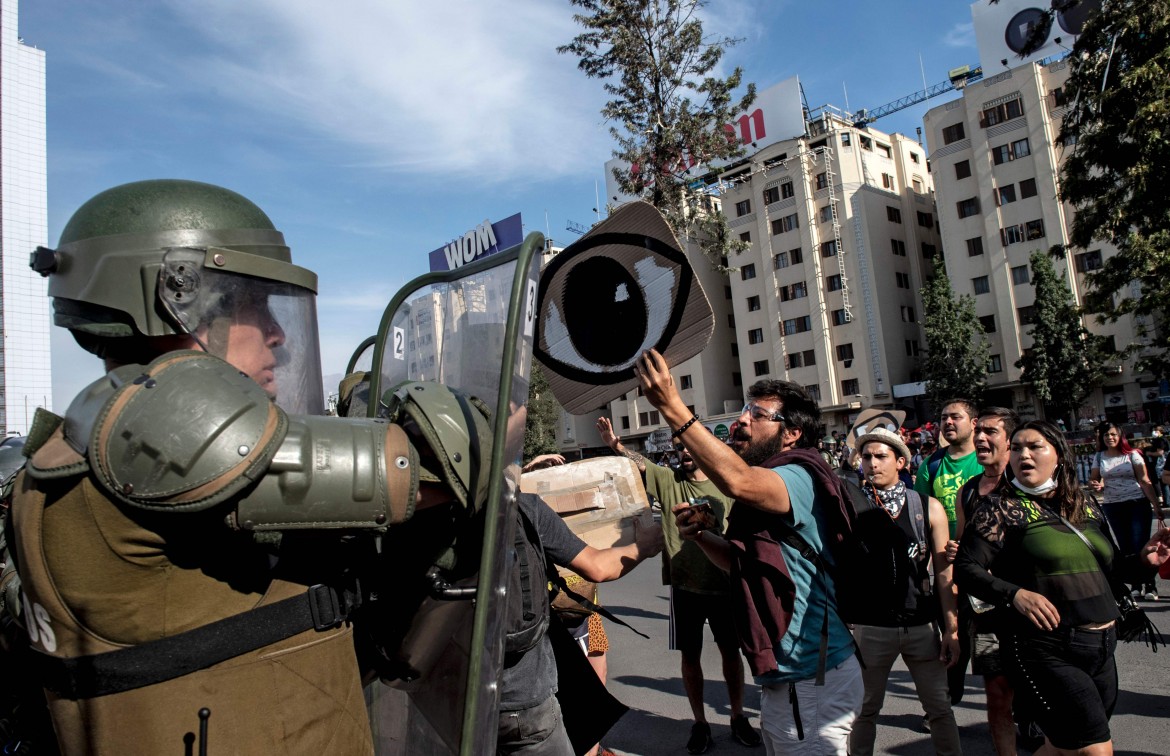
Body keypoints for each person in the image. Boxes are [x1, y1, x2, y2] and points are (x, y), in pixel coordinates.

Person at [8, 180, 498, 754]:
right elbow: (448, 466)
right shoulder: (172, 428)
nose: (279, 335)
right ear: (179, 296)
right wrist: (390, 402)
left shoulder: (71, 448)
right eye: (255, 304)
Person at [636, 349, 862, 755]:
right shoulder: (773, 480)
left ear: (791, 432)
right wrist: (702, 537)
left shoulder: (798, 473)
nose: (741, 420)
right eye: (744, 410)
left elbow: (737, 481)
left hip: (813, 678)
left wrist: (673, 406)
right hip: (786, 681)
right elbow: (743, 563)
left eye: (758, 414)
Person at [955, 420, 1170, 755]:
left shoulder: (1083, 503)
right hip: (1044, 647)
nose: (1023, 455)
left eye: (1034, 447)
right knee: (1095, 748)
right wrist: (1016, 595)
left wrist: (1144, 561)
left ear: (1058, 455)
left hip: (1101, 644)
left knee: (1062, 745)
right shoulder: (999, 508)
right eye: (1017, 448)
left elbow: (1110, 570)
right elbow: (965, 569)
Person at [595, 417, 759, 753]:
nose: (682, 449)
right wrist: (615, 444)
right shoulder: (670, 481)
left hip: (726, 587)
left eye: (688, 445)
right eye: (678, 445)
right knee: (690, 657)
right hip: (684, 588)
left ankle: (738, 716)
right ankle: (699, 723)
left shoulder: (724, 486)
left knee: (731, 653)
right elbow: (639, 464)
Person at [498, 493, 662, 755]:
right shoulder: (523, 507)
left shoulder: (412, 513)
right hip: (525, 695)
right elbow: (597, 566)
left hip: (443, 694)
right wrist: (644, 547)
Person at [847, 428, 961, 756]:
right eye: (866, 457)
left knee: (940, 709)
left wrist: (950, 629)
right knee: (865, 711)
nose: (872, 463)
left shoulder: (927, 507)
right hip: (871, 628)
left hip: (922, 625)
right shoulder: (850, 507)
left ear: (900, 462)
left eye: (880, 456)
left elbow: (943, 574)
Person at [952, 407, 1021, 756]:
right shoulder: (967, 492)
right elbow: (964, 545)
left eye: (990, 432)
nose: (980, 437)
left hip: (1030, 609)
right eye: (978, 431)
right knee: (996, 694)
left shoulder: (1026, 486)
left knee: (1039, 693)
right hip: (986, 614)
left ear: (1010, 441)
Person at [1088, 422, 1163, 600]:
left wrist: (1157, 506)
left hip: (1137, 503)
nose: (1110, 438)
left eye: (1113, 434)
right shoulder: (1099, 457)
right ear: (1102, 438)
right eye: (1106, 435)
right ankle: (1136, 584)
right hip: (1113, 506)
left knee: (1141, 545)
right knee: (1126, 547)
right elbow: (1093, 480)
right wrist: (1095, 485)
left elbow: (1145, 481)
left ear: (1120, 436)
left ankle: (1150, 585)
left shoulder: (1133, 455)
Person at [915, 399, 982, 542]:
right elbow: (921, 514)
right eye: (944, 418)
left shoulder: (986, 461)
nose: (948, 422)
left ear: (974, 423)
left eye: (956, 417)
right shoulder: (930, 465)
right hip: (945, 555)